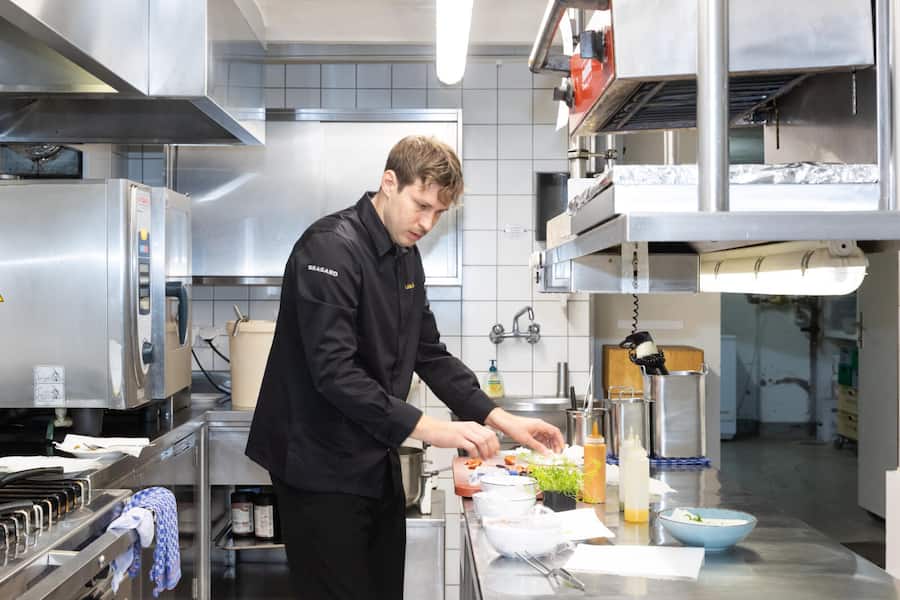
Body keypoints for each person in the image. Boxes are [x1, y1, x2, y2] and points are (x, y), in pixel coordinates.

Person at [245, 135, 564, 600]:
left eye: (439, 213)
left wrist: (500, 418)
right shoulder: (329, 249)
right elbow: (334, 372)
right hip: (317, 464)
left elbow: (428, 352)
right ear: (389, 182)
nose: (428, 223)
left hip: (372, 455)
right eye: (421, 206)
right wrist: (435, 430)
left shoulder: (405, 256)